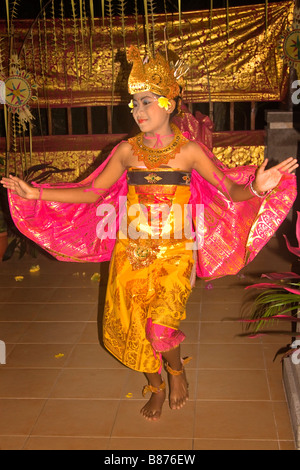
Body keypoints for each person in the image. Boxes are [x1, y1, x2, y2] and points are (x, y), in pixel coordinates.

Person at [1, 45, 298, 421]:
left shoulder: (190, 152)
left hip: (176, 253)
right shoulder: (127, 151)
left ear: (169, 103)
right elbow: (91, 191)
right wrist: (37, 192)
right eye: (133, 105)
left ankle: (176, 374)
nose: (138, 112)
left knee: (160, 327)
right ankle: (155, 386)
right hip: (130, 253)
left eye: (145, 102)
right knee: (134, 328)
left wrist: (258, 187)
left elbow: (230, 191)